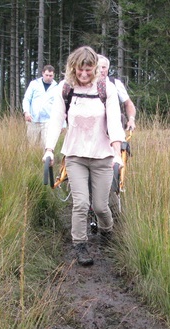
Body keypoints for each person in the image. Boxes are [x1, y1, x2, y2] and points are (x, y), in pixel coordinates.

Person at [44, 46, 125, 266]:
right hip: (75, 155)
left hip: (102, 156)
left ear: (95, 69)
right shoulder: (65, 88)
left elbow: (114, 123)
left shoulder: (106, 89)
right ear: (73, 68)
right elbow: (55, 121)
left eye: (88, 70)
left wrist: (117, 154)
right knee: (80, 204)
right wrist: (49, 150)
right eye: (80, 70)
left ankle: (107, 231)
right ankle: (80, 245)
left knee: (100, 206)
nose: (84, 74)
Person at [97, 55, 136, 131]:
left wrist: (131, 120)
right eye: (98, 67)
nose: (101, 70)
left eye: (104, 67)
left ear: (108, 69)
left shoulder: (115, 83)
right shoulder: (86, 86)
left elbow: (128, 104)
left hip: (113, 128)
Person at [22, 65, 58, 146]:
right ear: (42, 73)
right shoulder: (34, 84)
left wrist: (62, 124)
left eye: (50, 75)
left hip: (48, 121)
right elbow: (27, 99)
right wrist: (26, 112)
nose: (48, 77)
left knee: (46, 145)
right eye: (46, 75)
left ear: (54, 75)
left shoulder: (57, 87)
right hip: (33, 120)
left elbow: (59, 106)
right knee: (31, 145)